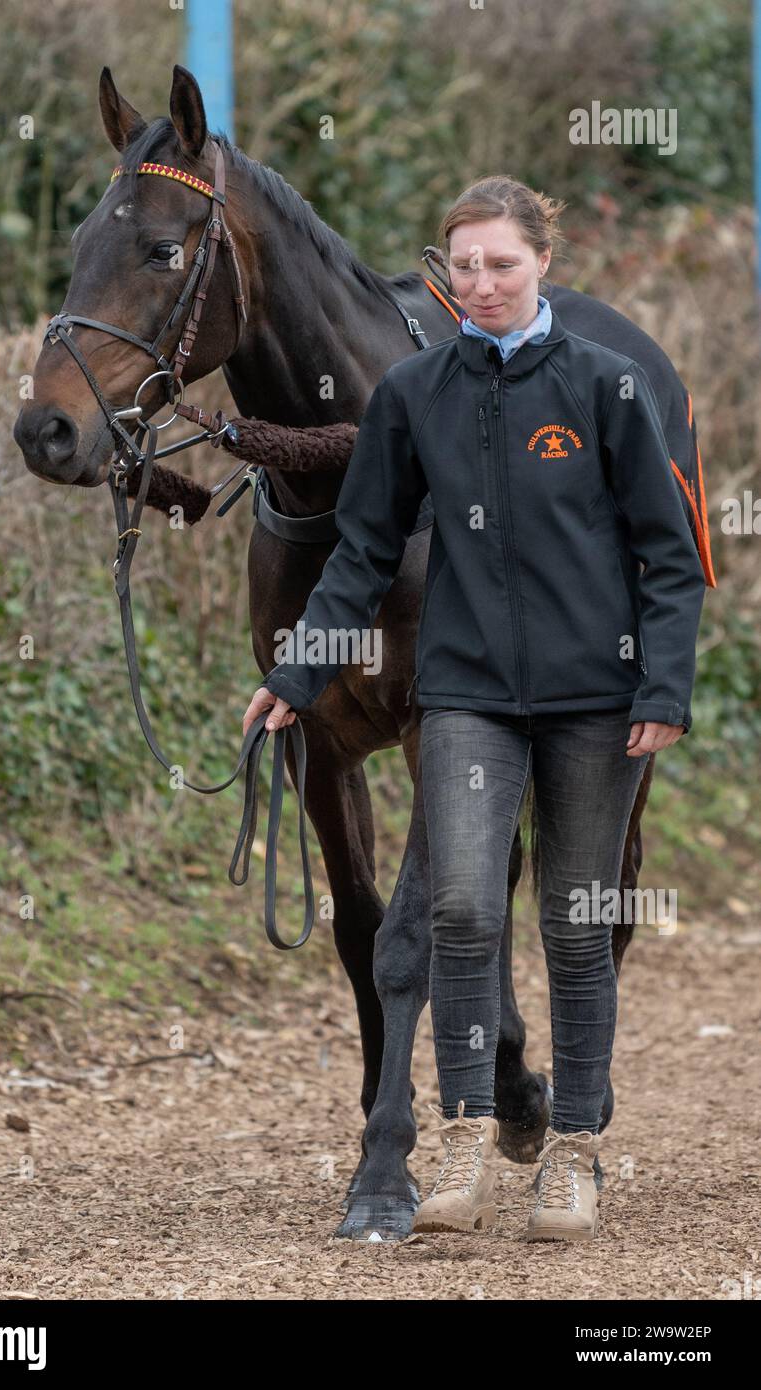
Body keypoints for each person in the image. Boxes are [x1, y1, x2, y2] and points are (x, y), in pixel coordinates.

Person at [242, 175, 706, 1242]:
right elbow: (359, 556)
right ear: (444, 274)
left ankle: (574, 1154)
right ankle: (459, 1138)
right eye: (465, 265)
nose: (483, 282)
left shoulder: (605, 386)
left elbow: (667, 554)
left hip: (596, 701)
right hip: (465, 699)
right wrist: (297, 675)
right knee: (458, 910)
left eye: (501, 262)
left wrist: (664, 685)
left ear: (541, 260)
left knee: (574, 929)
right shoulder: (411, 396)